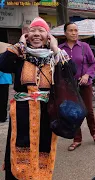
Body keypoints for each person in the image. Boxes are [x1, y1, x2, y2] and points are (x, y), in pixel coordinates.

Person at [0, 17, 68, 180]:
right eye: (32, 30)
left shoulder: (54, 57)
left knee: (42, 150)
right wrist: (20, 44)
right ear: (26, 35)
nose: (36, 34)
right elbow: (2, 65)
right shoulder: (19, 56)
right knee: (18, 149)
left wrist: (55, 48)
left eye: (41, 30)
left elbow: (70, 72)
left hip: (46, 114)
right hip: (21, 115)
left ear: (48, 35)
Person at [59, 22, 95, 151]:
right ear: (65, 33)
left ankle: (93, 133)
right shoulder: (60, 49)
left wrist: (87, 75)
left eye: (76, 30)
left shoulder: (84, 47)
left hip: (84, 85)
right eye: (71, 30)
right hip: (69, 87)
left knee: (88, 110)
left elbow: (93, 63)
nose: (74, 33)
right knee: (72, 112)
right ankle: (77, 139)